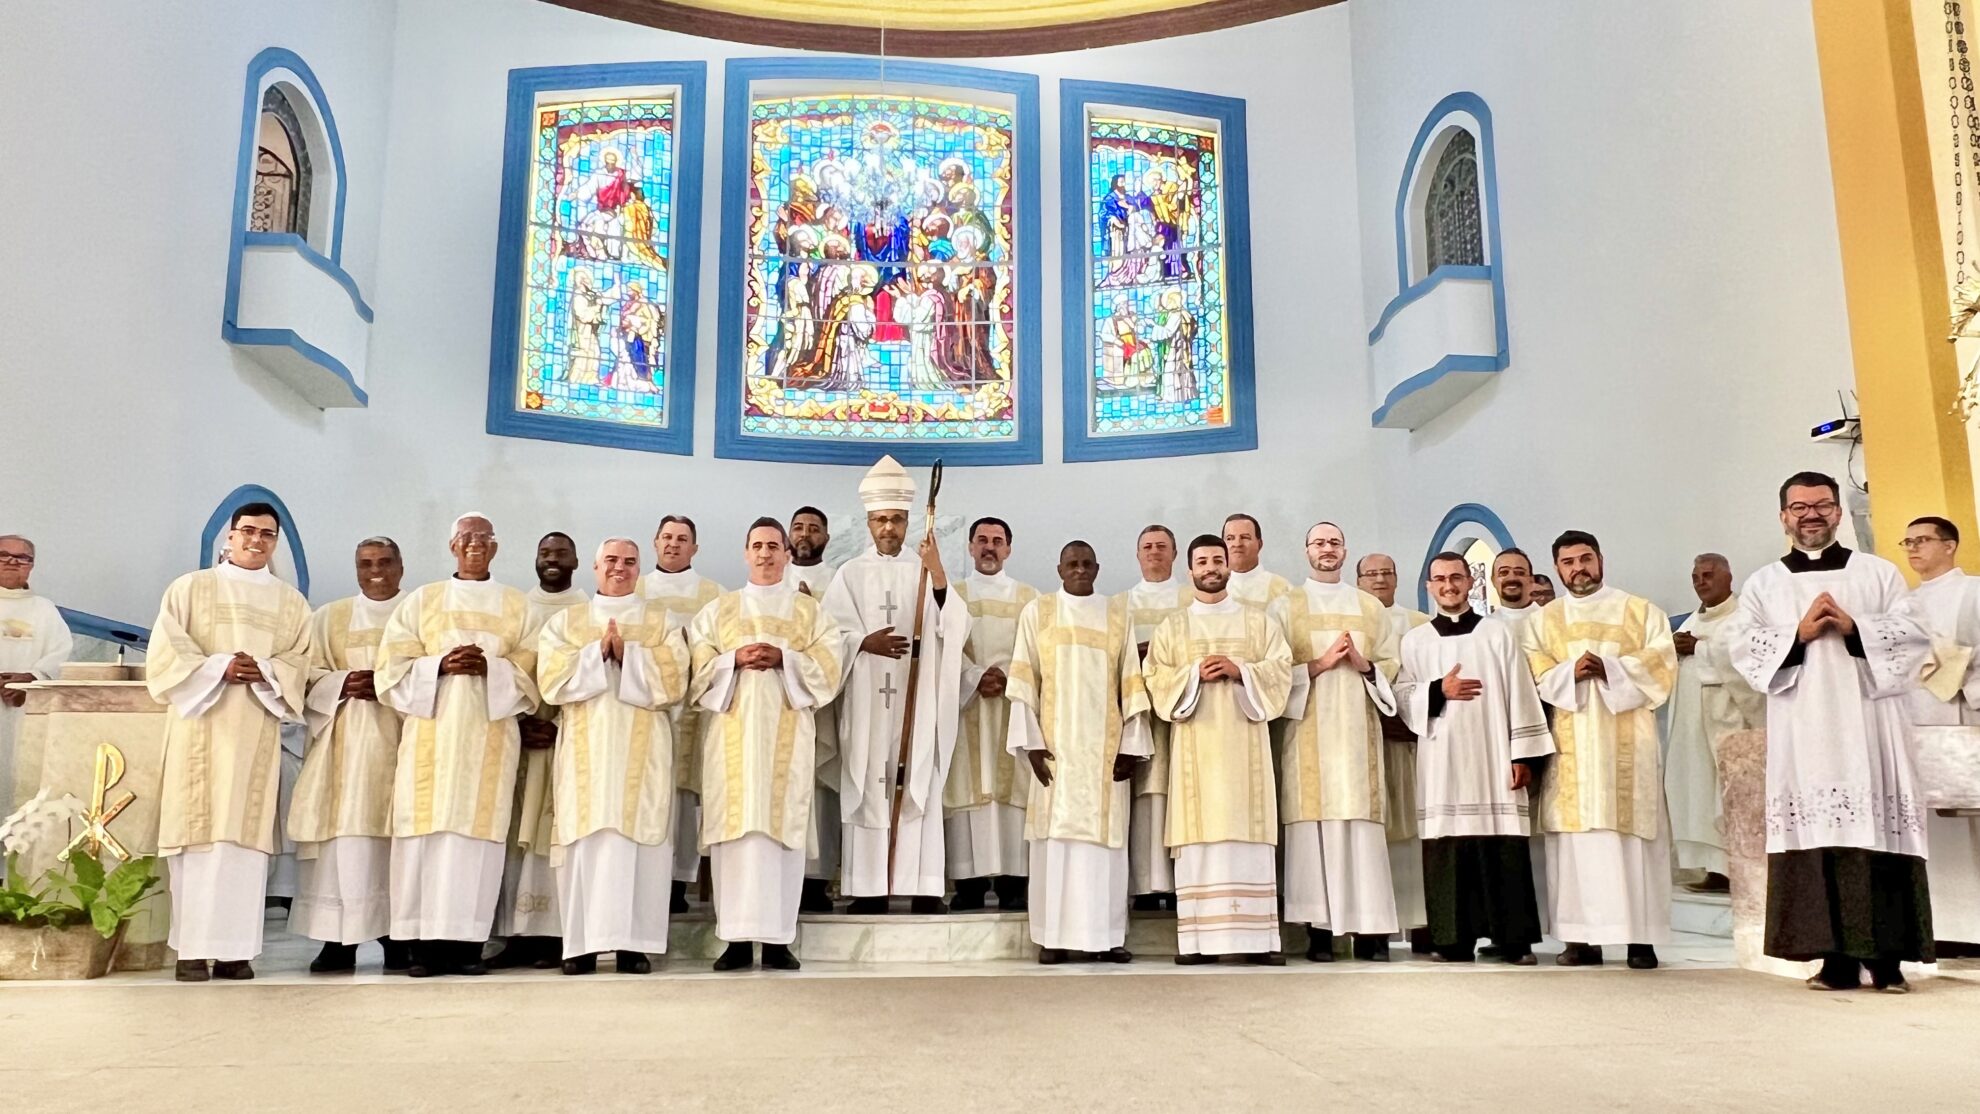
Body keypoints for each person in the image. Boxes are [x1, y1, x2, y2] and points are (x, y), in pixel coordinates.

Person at [1730, 472, 1934, 992]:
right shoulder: (1764, 583)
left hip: (1870, 727)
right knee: (1815, 836)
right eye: (1799, 508)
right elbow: (1744, 649)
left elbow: (1914, 636)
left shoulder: (1878, 573)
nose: (1810, 515)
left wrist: (1854, 628)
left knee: (1874, 831)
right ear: (1783, 517)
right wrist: (1795, 635)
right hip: (1804, 730)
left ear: (1839, 513)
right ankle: (1835, 961)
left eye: (1821, 505)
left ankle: (1886, 962)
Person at [146, 503, 311, 982]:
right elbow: (167, 653)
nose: (256, 541)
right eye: (248, 532)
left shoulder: (291, 603)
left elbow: (299, 661)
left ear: (275, 542)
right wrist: (221, 667)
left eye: (267, 534)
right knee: (196, 843)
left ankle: (236, 952)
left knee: (243, 846)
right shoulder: (190, 588)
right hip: (200, 728)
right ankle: (192, 952)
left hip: (253, 733)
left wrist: (264, 671)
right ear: (230, 535)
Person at [376, 513, 541, 978]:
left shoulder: (517, 605)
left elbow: (533, 668)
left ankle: (468, 945)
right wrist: (440, 665)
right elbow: (391, 668)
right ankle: (424, 950)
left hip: (487, 742)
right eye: (466, 538)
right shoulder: (421, 602)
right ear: (452, 545)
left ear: (495, 547)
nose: (474, 544)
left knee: (476, 845)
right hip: (431, 740)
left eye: (483, 538)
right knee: (426, 841)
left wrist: (493, 668)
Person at [690, 519, 844, 970]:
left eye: (773, 546)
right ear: (745, 553)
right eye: (757, 545)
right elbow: (695, 673)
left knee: (780, 836)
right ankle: (736, 941)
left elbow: (829, 670)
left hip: (786, 741)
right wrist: (733, 660)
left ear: (787, 554)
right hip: (733, 741)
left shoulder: (809, 613)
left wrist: (785, 659)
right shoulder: (718, 612)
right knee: (736, 837)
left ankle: (778, 940)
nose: (765, 554)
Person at [1522, 530, 1676, 970]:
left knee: (1632, 842)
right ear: (1556, 568)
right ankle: (1580, 939)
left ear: (1601, 560)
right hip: (1571, 749)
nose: (1578, 569)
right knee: (1576, 844)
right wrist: (1573, 670)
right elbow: (1533, 671)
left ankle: (1639, 940)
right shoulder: (1542, 620)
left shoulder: (1640, 610)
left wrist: (1607, 668)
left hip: (1627, 747)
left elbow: (1662, 663)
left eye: (1585, 558)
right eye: (1568, 562)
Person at [536, 537, 690, 975]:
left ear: (639, 569)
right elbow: (550, 681)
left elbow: (675, 680)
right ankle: (581, 946)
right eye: (611, 561)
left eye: (628, 562)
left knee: (638, 845)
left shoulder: (661, 622)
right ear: (595, 567)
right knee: (586, 843)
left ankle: (632, 946)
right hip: (587, 751)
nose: (619, 568)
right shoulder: (566, 623)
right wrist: (596, 653)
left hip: (642, 754)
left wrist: (629, 655)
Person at [822, 456, 969, 914]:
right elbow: (828, 637)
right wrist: (862, 643)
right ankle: (868, 889)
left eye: (897, 519)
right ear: (868, 522)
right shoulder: (849, 574)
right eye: (882, 519)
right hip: (867, 697)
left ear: (908, 522)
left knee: (917, 775)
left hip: (916, 693)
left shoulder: (924, 569)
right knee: (870, 779)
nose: (889, 527)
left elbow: (956, 627)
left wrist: (939, 572)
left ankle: (923, 886)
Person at [1394, 552, 1553, 964]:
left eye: (1456, 578)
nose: (1448, 585)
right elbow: (1401, 696)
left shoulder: (1497, 634)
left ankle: (1513, 941)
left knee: (1500, 847)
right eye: (1440, 579)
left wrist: (1524, 756)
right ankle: (1452, 941)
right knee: (1448, 847)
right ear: (1429, 586)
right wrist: (1436, 691)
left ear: (1470, 584)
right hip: (1442, 759)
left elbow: (1521, 691)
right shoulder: (1415, 641)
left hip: (1493, 756)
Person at [1144, 535, 1293, 964]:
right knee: (1200, 837)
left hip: (1246, 748)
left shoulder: (1259, 623)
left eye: (1217, 560)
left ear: (1229, 565)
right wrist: (1193, 674)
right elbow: (1155, 678)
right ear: (1188, 570)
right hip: (1196, 749)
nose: (1210, 567)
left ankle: (1260, 942)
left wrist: (1240, 670)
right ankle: (1197, 944)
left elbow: (1280, 671)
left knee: (1248, 835)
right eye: (1202, 561)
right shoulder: (1173, 627)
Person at [1007, 540, 1151, 963]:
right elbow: (1023, 679)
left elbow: (1131, 681)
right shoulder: (1039, 612)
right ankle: (1052, 938)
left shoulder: (1117, 614)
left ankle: (1107, 938)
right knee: (1056, 845)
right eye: (1072, 563)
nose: (1080, 570)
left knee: (1104, 850)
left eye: (1087, 563)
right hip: (1055, 751)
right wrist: (1031, 745)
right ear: (1059, 568)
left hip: (1105, 755)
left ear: (1099, 568)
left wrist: (1132, 746)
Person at [1279, 524, 1399, 962]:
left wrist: (1365, 665)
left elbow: (1391, 665)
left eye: (1333, 543)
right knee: (1313, 832)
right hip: (1308, 734)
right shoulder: (1284, 607)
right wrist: (1318, 665)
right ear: (1306, 551)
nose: (1326, 550)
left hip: (1356, 737)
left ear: (1345, 551)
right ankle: (1318, 933)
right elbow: (1272, 674)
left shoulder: (1370, 607)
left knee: (1361, 832)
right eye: (1318, 543)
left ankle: (1371, 934)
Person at [288, 537, 408, 974]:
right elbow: (305, 673)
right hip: (343, 746)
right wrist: (341, 683)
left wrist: (391, 686)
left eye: (384, 562)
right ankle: (338, 941)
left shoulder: (419, 612)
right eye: (365, 563)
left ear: (400, 566)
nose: (375, 571)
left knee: (395, 842)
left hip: (401, 742)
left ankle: (396, 937)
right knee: (342, 844)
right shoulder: (329, 617)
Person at [490, 532, 587, 969]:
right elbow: (507, 669)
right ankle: (515, 933)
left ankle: (555, 933)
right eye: (544, 552)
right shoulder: (518, 610)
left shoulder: (589, 612)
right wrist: (522, 717)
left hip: (570, 738)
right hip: (522, 735)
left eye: (560, 553)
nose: (552, 560)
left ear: (577, 561)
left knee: (556, 830)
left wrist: (561, 725)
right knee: (516, 830)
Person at [1898, 515, 1980, 956]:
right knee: (1928, 823)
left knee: (1968, 821)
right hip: (1915, 719)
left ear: (1950, 546)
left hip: (1963, 716)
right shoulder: (1904, 604)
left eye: (1923, 540)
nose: (1913, 549)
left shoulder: (1974, 592)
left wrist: (1959, 676)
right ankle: (1943, 925)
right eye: (1907, 542)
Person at [947, 516, 1038, 910]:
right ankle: (967, 883)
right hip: (966, 707)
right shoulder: (952, 595)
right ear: (969, 547)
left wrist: (1008, 678)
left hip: (1011, 707)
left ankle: (1015, 883)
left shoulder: (1030, 599)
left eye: (997, 541)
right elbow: (943, 647)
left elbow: (1036, 650)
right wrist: (974, 677)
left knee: (1013, 791)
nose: (989, 547)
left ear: (1009, 549)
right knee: (968, 789)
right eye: (982, 540)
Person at [1665, 553, 1764, 892]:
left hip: (1729, 723)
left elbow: (1749, 664)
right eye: (1695, 576)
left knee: (1729, 796)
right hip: (1693, 726)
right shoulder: (1692, 620)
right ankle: (1714, 870)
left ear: (1728, 577)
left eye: (1708, 575)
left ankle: (1742, 869)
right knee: (1698, 793)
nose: (1701, 582)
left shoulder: (1743, 618)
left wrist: (1700, 650)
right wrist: (1675, 650)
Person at [641, 515, 725, 914]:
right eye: (667, 538)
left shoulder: (715, 596)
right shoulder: (632, 589)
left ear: (695, 548)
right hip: (647, 707)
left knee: (687, 796)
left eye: (683, 539)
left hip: (694, 708)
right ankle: (646, 877)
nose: (674, 545)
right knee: (650, 790)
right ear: (655, 543)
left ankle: (677, 883)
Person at [1357, 552, 1433, 950]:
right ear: (1358, 580)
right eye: (1370, 573)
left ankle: (1425, 927)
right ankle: (1374, 932)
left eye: (1386, 572)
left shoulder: (1421, 625)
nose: (1379, 579)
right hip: (1366, 739)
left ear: (1398, 578)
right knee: (1374, 833)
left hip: (1414, 740)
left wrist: (1410, 716)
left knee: (1418, 830)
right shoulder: (1354, 622)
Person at [1121, 525, 1191, 910]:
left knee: (1180, 792)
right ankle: (1147, 886)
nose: (1154, 553)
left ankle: (1181, 883)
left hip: (1183, 709)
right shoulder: (1121, 604)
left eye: (1161, 547)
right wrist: (1136, 654)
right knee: (1147, 795)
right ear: (1137, 555)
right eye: (1146, 546)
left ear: (1174, 553)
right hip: (1140, 709)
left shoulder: (1190, 598)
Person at [785, 505, 841, 913]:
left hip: (820, 700)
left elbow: (844, 635)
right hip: (778, 705)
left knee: (820, 788)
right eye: (799, 528)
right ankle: (784, 875)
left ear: (826, 537)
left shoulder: (839, 582)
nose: (805, 534)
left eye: (814, 529)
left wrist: (814, 613)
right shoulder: (768, 579)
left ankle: (816, 879)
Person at [0, 534, 73, 813]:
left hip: (22, 713)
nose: (11, 562)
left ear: (31, 566)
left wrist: (31, 678)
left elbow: (61, 653)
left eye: (21, 558)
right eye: (3, 554)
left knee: (15, 786)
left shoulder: (44, 610)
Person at [1221, 513, 1292, 626]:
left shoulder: (1281, 588)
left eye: (1245, 537)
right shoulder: (1214, 588)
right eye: (1230, 538)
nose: (1237, 544)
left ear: (1259, 544)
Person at [1490, 550, 1539, 638]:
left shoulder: (1550, 621)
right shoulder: (1484, 628)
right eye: (1504, 572)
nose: (1511, 578)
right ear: (1493, 581)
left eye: (1520, 573)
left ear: (1531, 580)